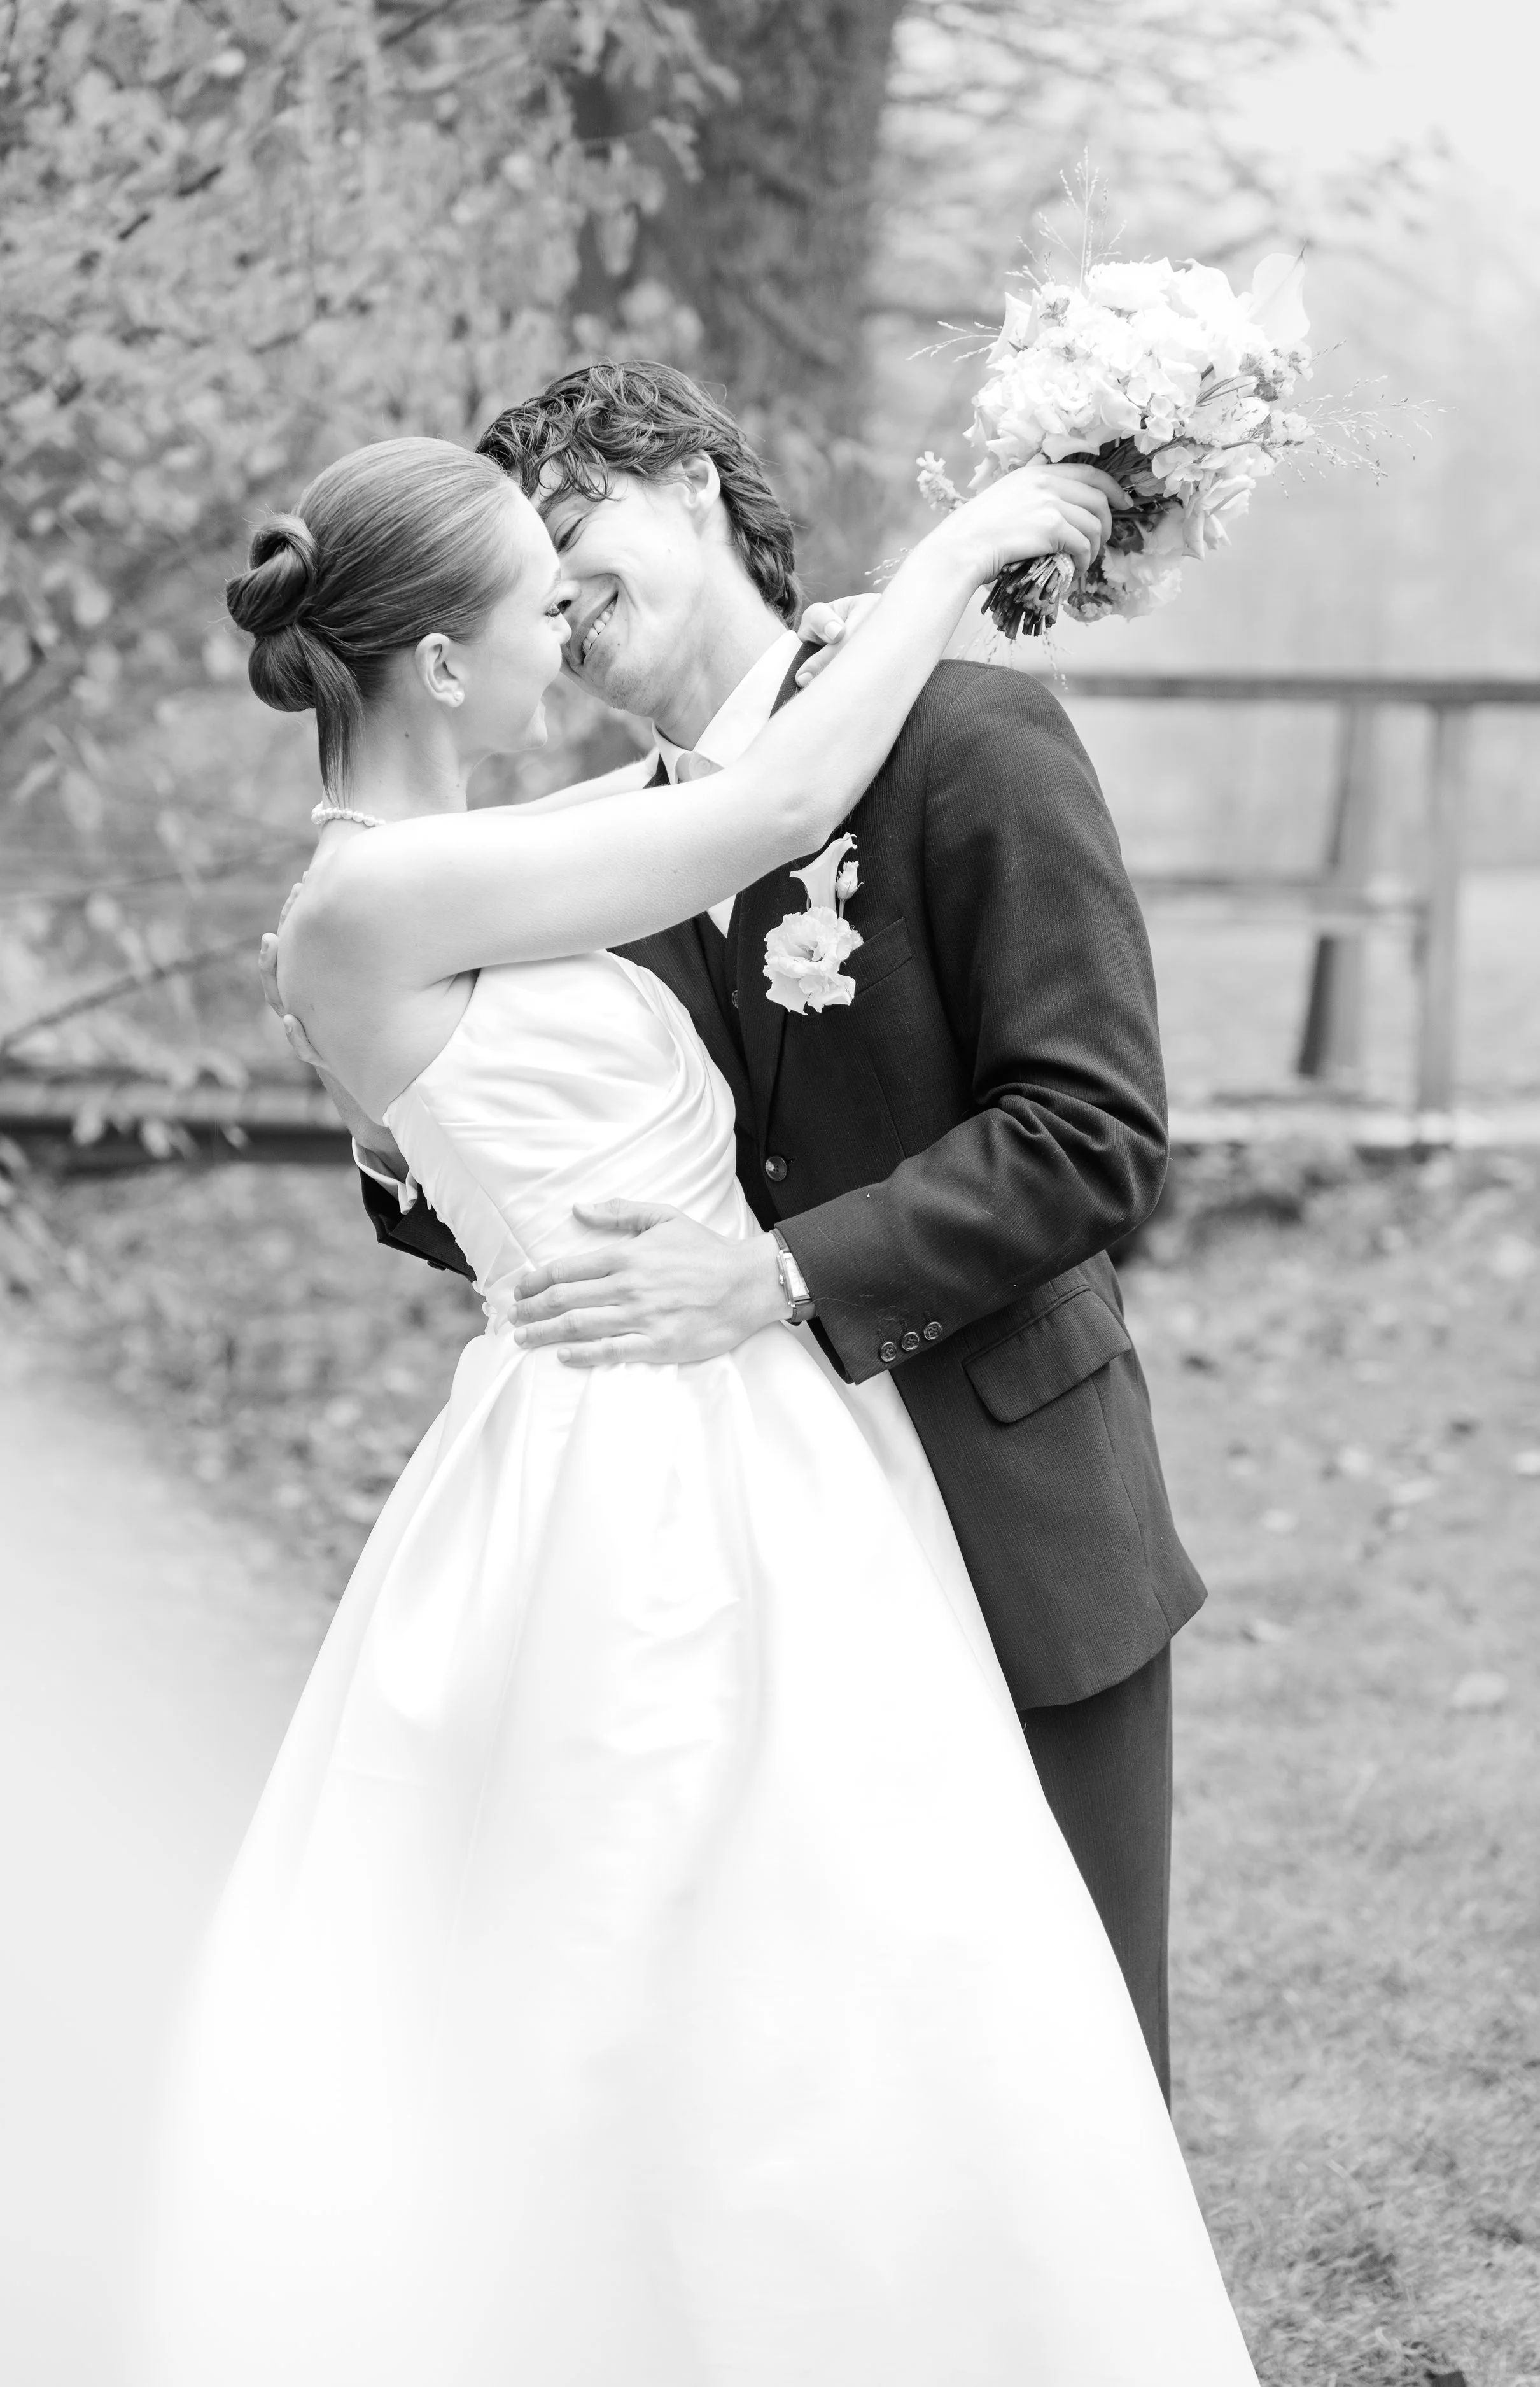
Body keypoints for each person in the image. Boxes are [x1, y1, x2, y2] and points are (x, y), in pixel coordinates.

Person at [157, 431, 1255, 2384]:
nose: (560, 622)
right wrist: (416, 1121)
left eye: (574, 552)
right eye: (529, 598)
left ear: (678, 482)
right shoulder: (562, 843)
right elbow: (733, 863)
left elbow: (1088, 1131)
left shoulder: (963, 744)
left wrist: (735, 1262)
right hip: (654, 1479)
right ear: (432, 659)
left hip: (963, 1473)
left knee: (1022, 2055)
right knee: (689, 1999)